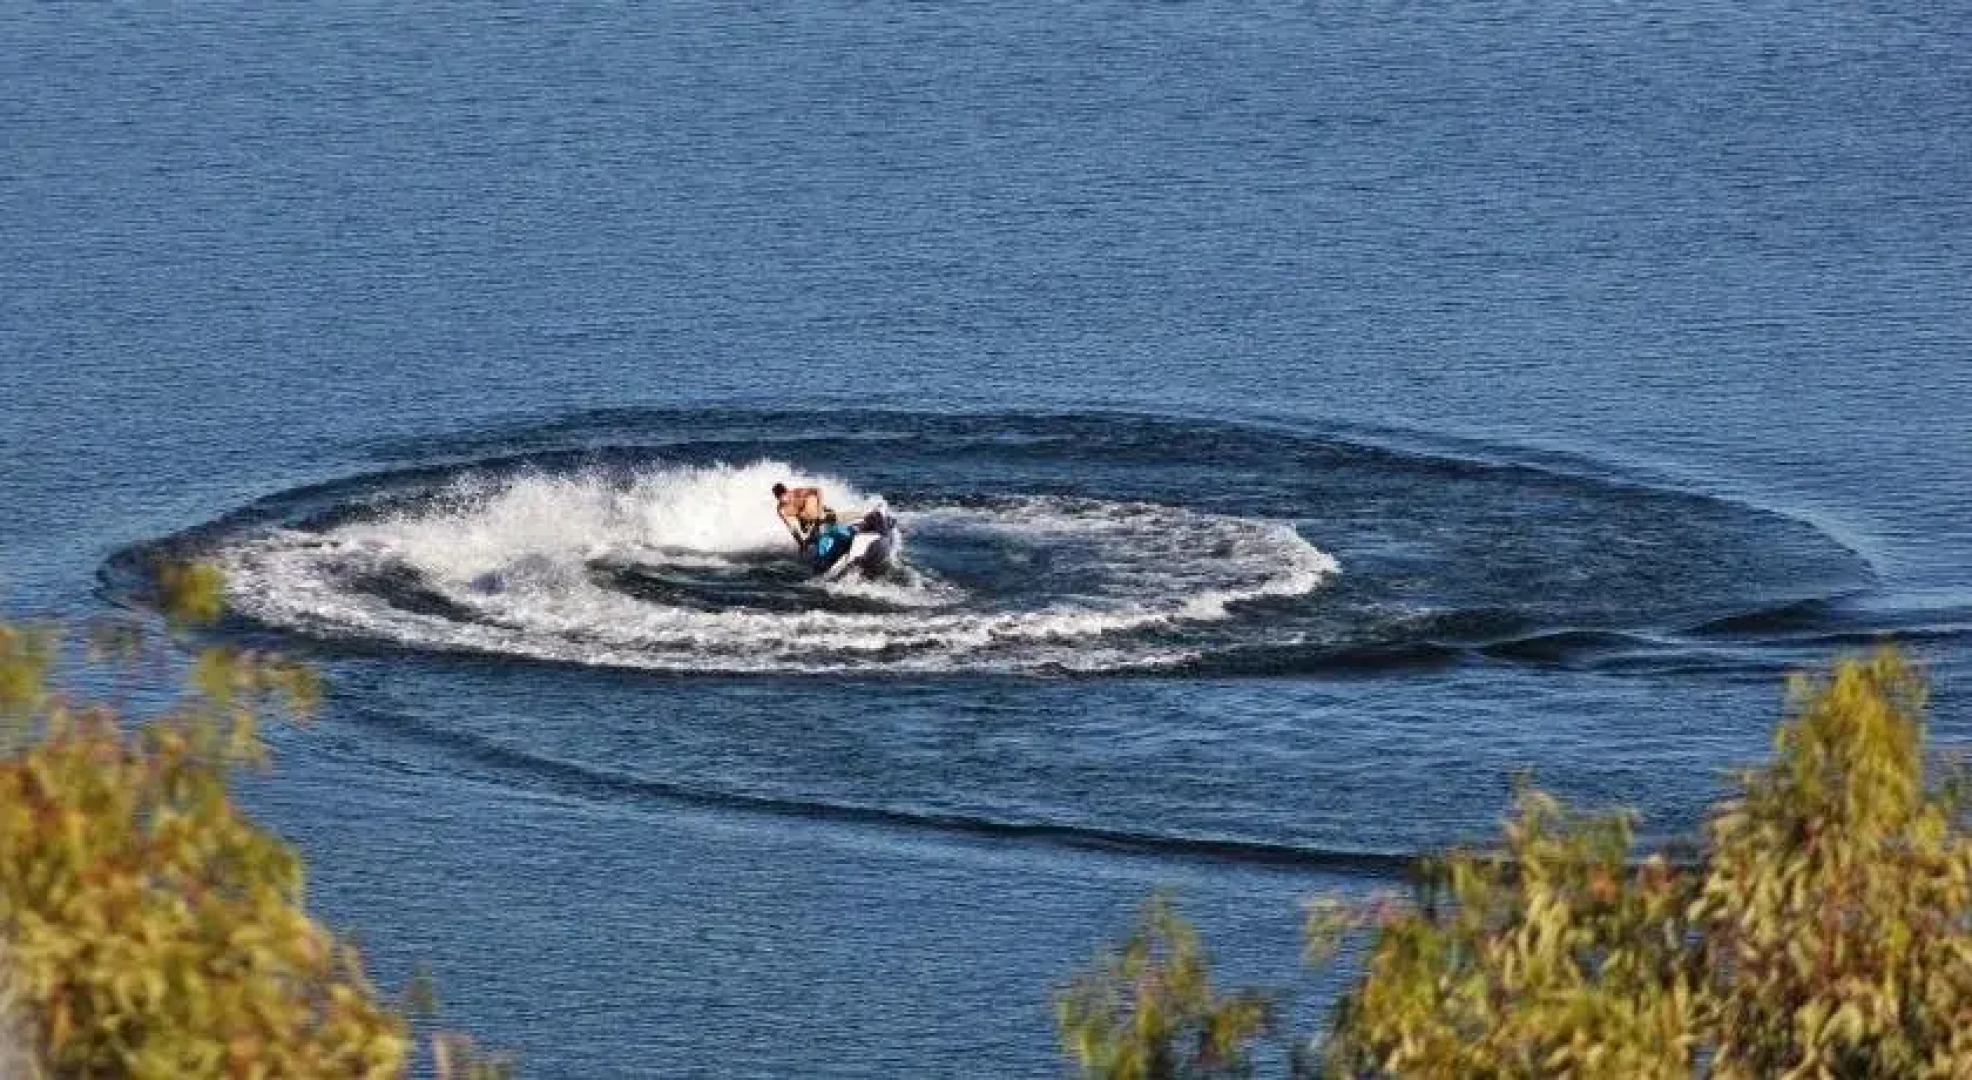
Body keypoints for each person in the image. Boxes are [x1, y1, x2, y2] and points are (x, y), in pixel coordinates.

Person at [771, 482, 835, 548]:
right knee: (805, 531)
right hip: (807, 522)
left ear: (787, 491)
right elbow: (791, 528)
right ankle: (817, 536)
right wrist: (800, 542)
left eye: (784, 496)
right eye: (780, 498)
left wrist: (820, 510)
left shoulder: (797, 493)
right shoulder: (781, 510)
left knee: (809, 508)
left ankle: (828, 517)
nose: (784, 500)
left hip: (818, 512)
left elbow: (818, 490)